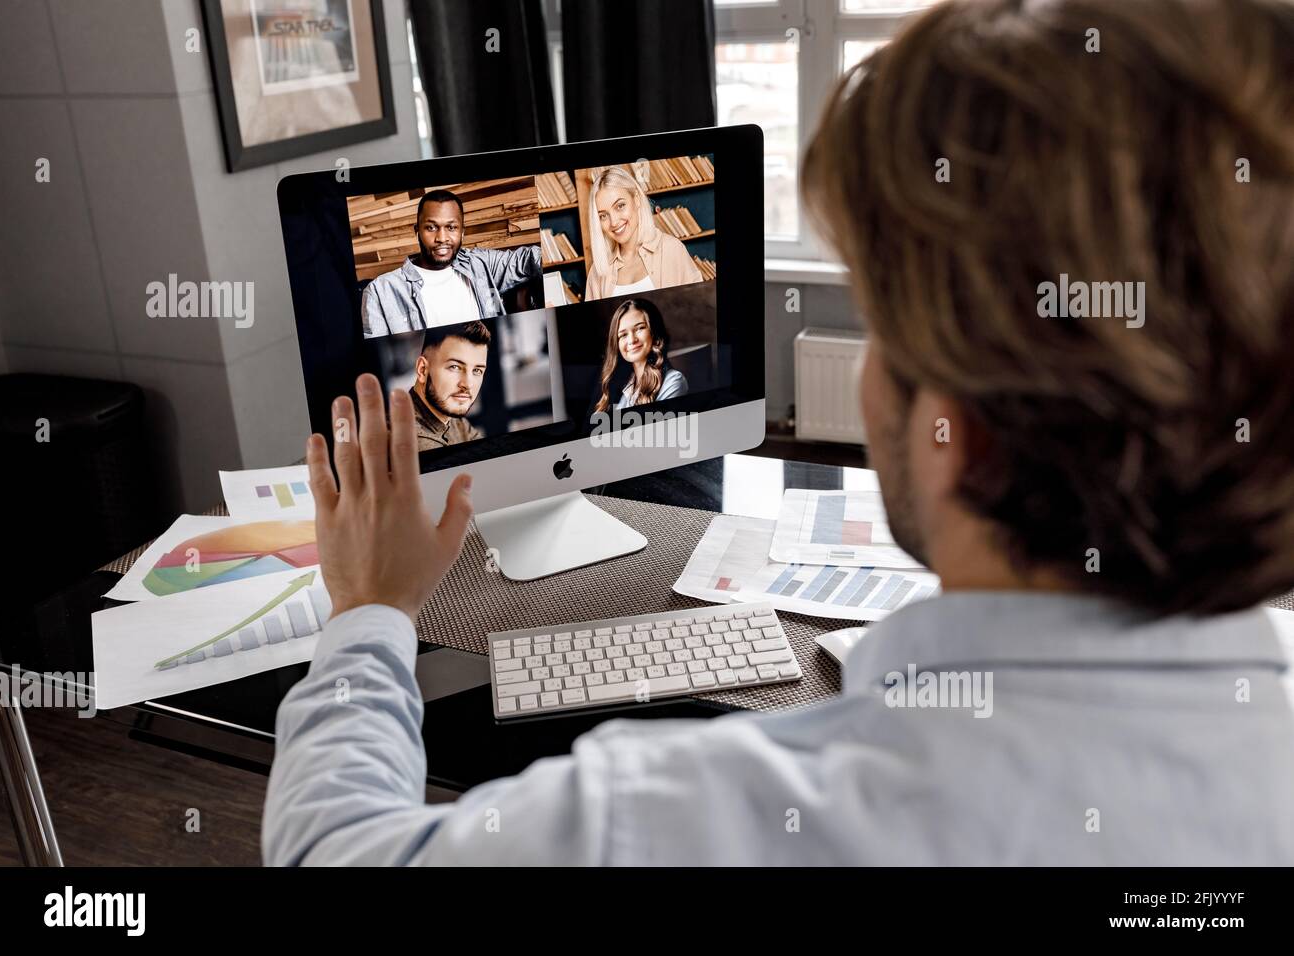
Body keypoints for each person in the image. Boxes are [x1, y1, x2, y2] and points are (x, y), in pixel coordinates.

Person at [263, 0, 1294, 865]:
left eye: (883, 321)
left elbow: (333, 849)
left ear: (961, 432)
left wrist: (368, 612)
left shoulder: (674, 821)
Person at [362, 189, 541, 337]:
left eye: (451, 227)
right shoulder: (380, 291)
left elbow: (531, 258)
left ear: (462, 232)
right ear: (417, 232)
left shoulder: (481, 264)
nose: (442, 238)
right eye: (431, 227)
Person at [583, 164, 703, 301]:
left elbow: (699, 310)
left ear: (636, 199)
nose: (614, 222)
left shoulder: (672, 249)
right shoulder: (598, 270)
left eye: (620, 206)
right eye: (603, 216)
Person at [593, 298, 688, 413]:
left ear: (654, 332)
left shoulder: (673, 381)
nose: (632, 340)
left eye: (640, 328)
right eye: (623, 335)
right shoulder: (621, 385)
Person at [409, 321, 490, 451]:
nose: (468, 384)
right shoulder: (413, 440)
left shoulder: (454, 420)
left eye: (477, 371)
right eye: (455, 367)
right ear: (423, 370)